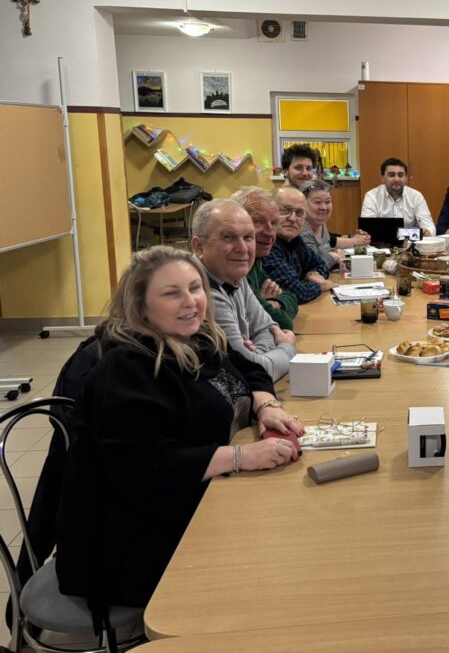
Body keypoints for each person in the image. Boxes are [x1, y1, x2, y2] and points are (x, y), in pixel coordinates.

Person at [55, 246, 302, 610]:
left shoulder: (195, 339)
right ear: (140, 306)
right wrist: (239, 456)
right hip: (133, 541)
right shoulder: (127, 367)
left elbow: (248, 368)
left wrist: (264, 404)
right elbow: (142, 467)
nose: (191, 302)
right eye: (172, 293)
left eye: (195, 288)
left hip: (193, 501)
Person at [191, 199, 297, 381]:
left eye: (248, 237)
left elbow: (269, 329)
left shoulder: (234, 274)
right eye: (228, 237)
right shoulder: (198, 291)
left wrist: (256, 355)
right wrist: (288, 348)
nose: (242, 249)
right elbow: (251, 372)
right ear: (199, 246)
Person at [231, 187, 299, 330]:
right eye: (258, 221)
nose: (270, 233)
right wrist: (268, 306)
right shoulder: (236, 265)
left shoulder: (255, 260)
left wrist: (274, 303)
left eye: (273, 223)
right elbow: (282, 323)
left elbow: (292, 296)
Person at [264, 186, 336, 303]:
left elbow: (320, 264)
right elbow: (296, 292)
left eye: (299, 212)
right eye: (285, 210)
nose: (293, 218)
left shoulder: (295, 240)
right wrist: (320, 286)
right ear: (270, 212)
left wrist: (312, 274)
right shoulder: (267, 245)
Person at [300, 179, 370, 270]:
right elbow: (312, 268)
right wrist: (333, 257)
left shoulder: (320, 223)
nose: (324, 207)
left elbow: (323, 252)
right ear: (302, 204)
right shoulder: (302, 230)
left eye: (327, 202)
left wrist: (336, 252)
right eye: (317, 202)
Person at [360, 157, 436, 235]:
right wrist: (409, 233)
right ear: (382, 178)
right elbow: (367, 230)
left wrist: (427, 232)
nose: (397, 179)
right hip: (381, 242)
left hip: (410, 241)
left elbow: (430, 226)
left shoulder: (416, 196)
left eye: (400, 175)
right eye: (391, 175)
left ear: (406, 178)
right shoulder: (372, 196)